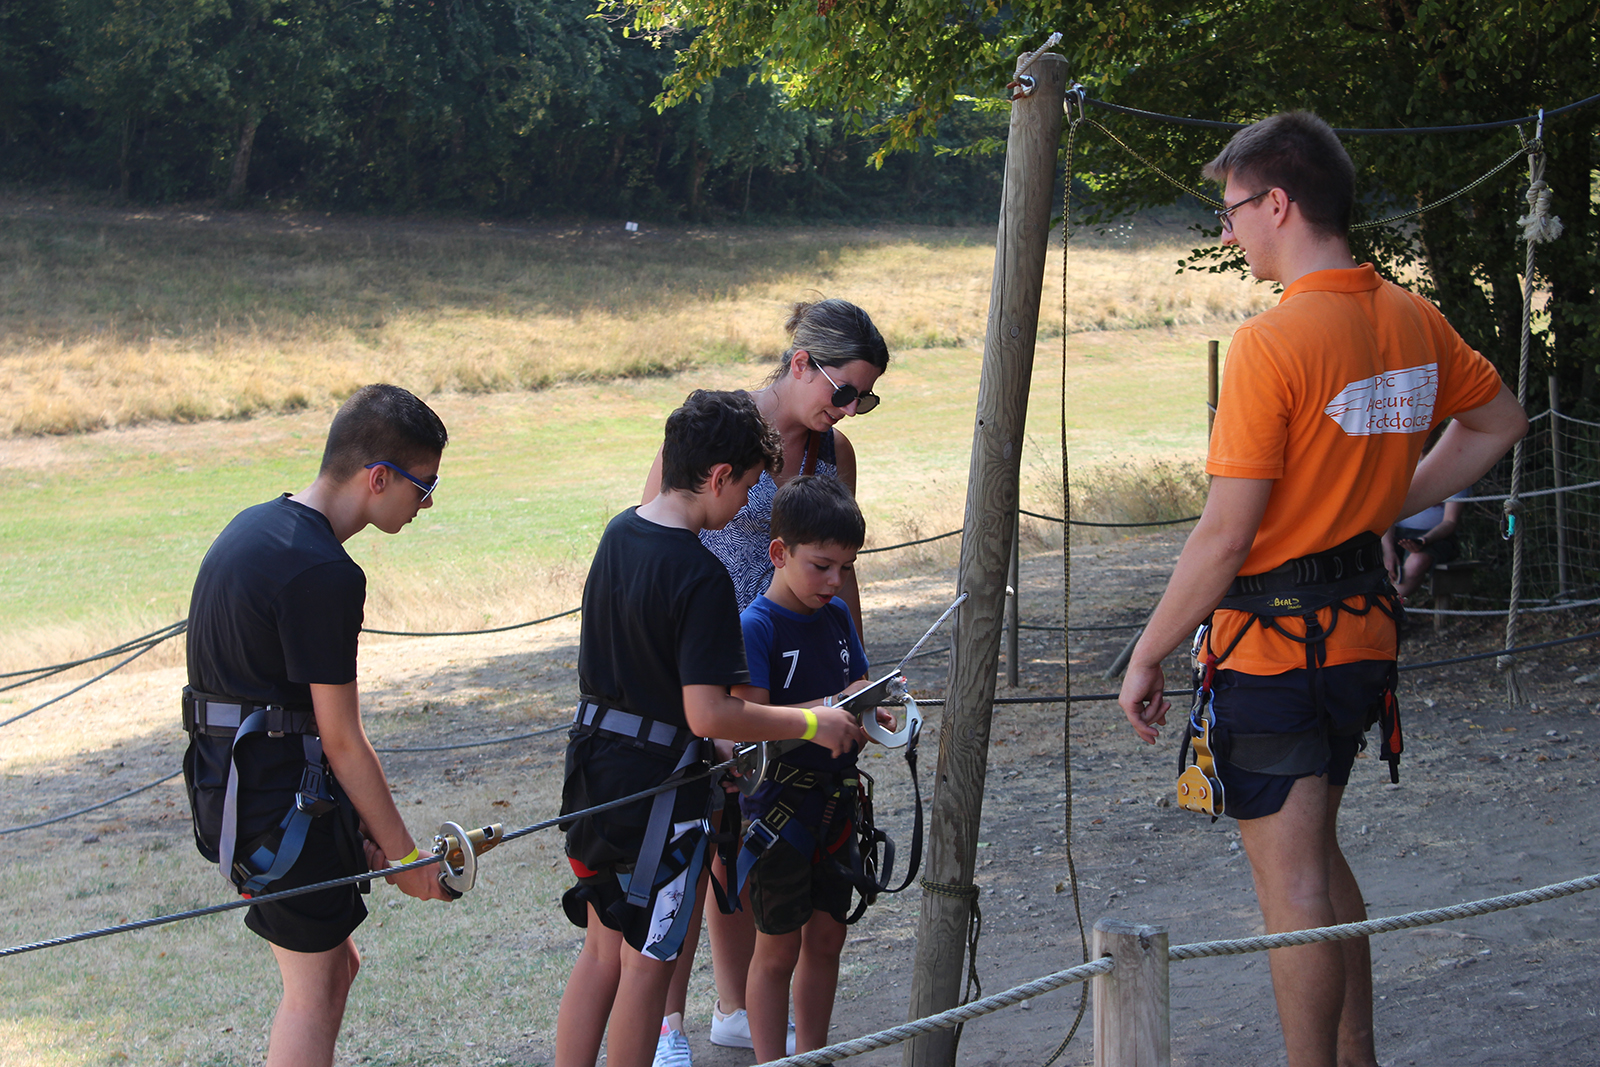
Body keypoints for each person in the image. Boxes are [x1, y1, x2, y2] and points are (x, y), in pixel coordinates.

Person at [1116, 112, 1526, 1067]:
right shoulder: (1411, 317)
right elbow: (1499, 420)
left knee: (1291, 884)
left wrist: (1147, 651)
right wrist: (1388, 499)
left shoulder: (1272, 343)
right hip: (1361, 636)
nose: (1228, 233)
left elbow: (1226, 535)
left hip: (1274, 648)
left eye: (1230, 211)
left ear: (1278, 203)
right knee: (1321, 859)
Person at [554, 389, 866, 1067]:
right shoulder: (701, 573)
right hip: (656, 793)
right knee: (646, 964)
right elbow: (709, 714)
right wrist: (810, 720)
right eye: (749, 487)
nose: (745, 504)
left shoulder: (619, 534)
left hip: (593, 773)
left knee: (601, 951)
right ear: (719, 477)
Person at [639, 297, 889, 1059]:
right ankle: (666, 1023)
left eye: (865, 398)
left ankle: (736, 1008)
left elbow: (842, 568)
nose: (849, 408)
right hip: (702, 661)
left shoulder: (833, 452)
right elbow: (653, 531)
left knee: (745, 837)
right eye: (844, 390)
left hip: (787, 669)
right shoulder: (718, 426)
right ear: (802, 362)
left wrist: (854, 669)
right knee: (691, 842)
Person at [182, 383, 454, 1067]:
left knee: (335, 969)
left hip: (231, 792)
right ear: (378, 477)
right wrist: (405, 858)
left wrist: (358, 830)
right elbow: (342, 738)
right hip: (278, 813)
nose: (426, 505)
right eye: (423, 487)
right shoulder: (325, 573)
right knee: (317, 989)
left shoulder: (252, 527)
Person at [731, 475, 892, 1062]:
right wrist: (821, 712)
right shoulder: (756, 628)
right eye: (821, 566)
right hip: (778, 808)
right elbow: (746, 726)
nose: (834, 581)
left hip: (838, 801)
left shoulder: (839, 617)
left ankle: (814, 1054)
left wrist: (871, 710)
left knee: (828, 938)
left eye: (846, 568)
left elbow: (853, 688)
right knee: (778, 950)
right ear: (779, 553)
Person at [1383, 488, 1471, 599]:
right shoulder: (1398, 478)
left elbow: (1450, 521)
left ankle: (1389, 603)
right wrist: (1388, 551)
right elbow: (1387, 516)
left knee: (1416, 562)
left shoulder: (1454, 479)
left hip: (1437, 537)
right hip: (1392, 535)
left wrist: (1424, 540)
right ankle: (1378, 604)